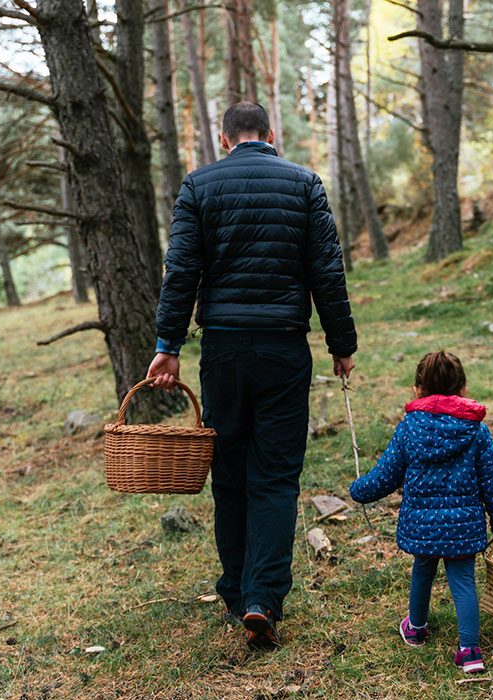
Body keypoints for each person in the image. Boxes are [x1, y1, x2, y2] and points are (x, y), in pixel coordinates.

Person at [146, 102, 357, 648]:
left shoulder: (199, 185)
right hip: (285, 352)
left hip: (223, 351)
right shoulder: (304, 183)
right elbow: (326, 272)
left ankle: (238, 592)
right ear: (272, 134)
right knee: (277, 476)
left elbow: (182, 270)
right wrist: (342, 345)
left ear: (224, 137)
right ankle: (262, 598)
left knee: (231, 471)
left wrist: (168, 345)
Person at [349, 351, 493, 673]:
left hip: (422, 524)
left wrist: (360, 490)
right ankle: (469, 651)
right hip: (463, 525)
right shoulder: (476, 431)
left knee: (423, 569)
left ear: (418, 388)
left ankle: (416, 627)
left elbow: (386, 474)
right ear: (463, 387)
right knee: (463, 580)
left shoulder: (410, 428)